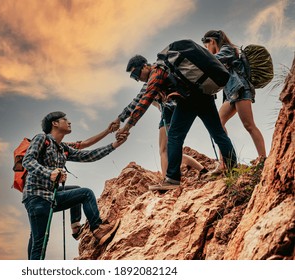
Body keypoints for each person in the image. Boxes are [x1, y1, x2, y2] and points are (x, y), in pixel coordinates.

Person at [116, 54, 237, 190]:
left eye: (136, 74)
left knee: (174, 137)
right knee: (218, 133)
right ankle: (234, 170)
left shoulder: (156, 72)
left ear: (145, 66)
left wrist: (126, 128)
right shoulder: (165, 66)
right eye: (134, 77)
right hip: (203, 95)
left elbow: (144, 101)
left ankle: (172, 179)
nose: (137, 79)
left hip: (188, 100)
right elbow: (139, 99)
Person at [22, 111, 128, 260]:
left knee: (78, 192)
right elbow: (27, 160)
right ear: (55, 123)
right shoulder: (41, 138)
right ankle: (98, 230)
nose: (69, 121)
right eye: (65, 119)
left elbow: (86, 155)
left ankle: (76, 227)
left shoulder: (62, 148)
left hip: (50, 196)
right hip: (37, 197)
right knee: (40, 241)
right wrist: (49, 173)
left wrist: (114, 145)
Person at [111, 83, 219, 191]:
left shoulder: (154, 86)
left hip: (167, 115)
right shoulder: (164, 85)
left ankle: (166, 181)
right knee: (174, 153)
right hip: (175, 113)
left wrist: (122, 123)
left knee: (164, 150)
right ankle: (203, 170)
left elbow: (136, 104)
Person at [202, 30, 266, 163]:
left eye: (206, 46)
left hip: (241, 89)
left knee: (249, 125)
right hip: (232, 94)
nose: (207, 50)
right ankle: (224, 163)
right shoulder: (226, 50)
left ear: (212, 41)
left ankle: (263, 159)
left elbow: (213, 61)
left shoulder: (227, 50)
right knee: (218, 124)